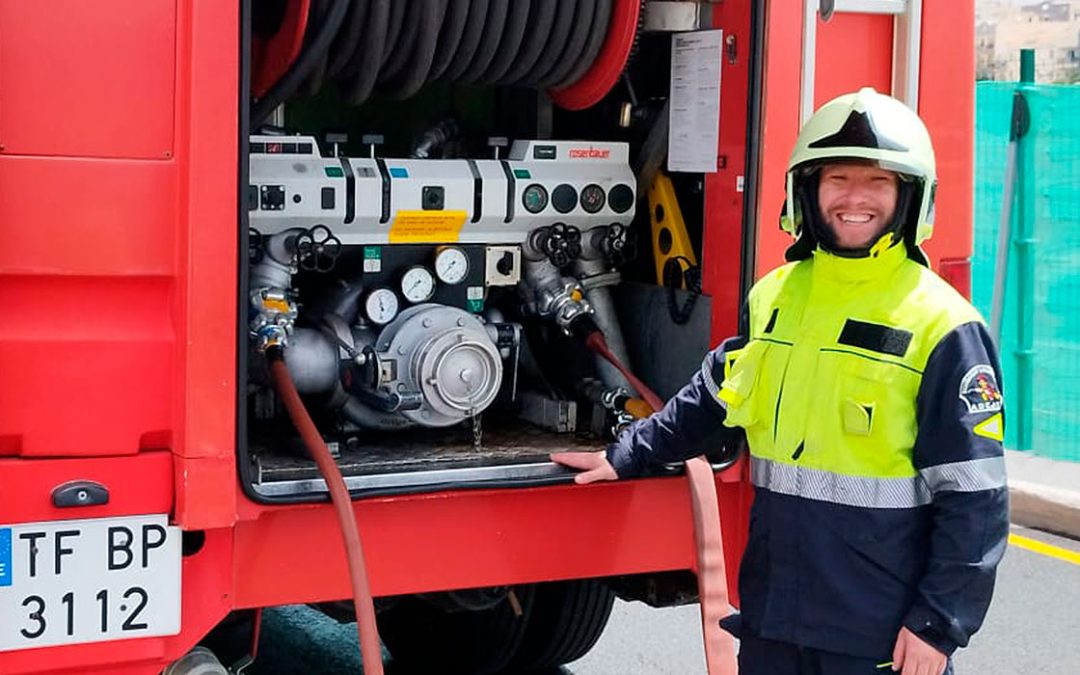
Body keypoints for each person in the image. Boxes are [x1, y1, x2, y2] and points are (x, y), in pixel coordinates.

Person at [552, 88, 1009, 675]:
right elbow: (713, 397)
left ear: (909, 196)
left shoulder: (943, 325)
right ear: (808, 191)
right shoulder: (775, 296)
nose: (854, 199)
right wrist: (626, 455)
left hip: (876, 634)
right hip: (775, 619)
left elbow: (976, 500)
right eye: (837, 178)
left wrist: (938, 625)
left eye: (878, 182)